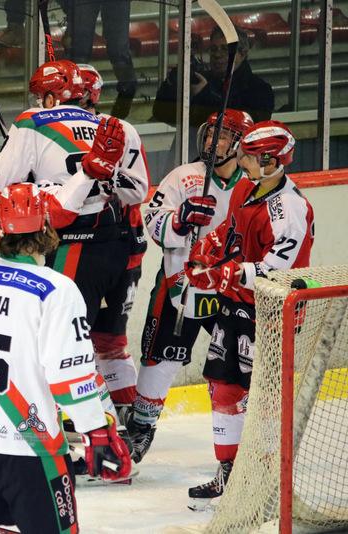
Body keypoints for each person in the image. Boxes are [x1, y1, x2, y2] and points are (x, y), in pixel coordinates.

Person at [0, 183, 131, 534]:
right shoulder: (57, 290)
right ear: (47, 227)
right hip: (30, 446)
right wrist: (95, 431)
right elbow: (68, 378)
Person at [0, 60, 149, 436]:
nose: (37, 102)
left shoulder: (33, 122)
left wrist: (19, 158)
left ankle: (104, 432)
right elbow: (138, 191)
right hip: (119, 248)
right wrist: (107, 172)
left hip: (72, 247)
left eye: (41, 95)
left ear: (52, 96)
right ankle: (132, 422)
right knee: (110, 341)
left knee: (64, 344)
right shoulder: (119, 127)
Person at [184, 120, 314, 510]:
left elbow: (277, 271)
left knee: (264, 398)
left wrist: (226, 272)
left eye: (252, 157)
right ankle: (229, 472)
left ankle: (265, 478)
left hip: (272, 314)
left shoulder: (290, 210)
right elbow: (230, 229)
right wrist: (208, 249)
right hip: (235, 304)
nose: (242, 161)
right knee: (223, 386)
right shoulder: (246, 187)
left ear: (273, 161)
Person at [128, 109, 254, 464]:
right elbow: (153, 220)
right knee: (162, 357)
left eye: (223, 136)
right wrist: (180, 221)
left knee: (238, 364)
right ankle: (141, 426)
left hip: (228, 291)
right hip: (179, 285)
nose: (213, 141)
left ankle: (242, 435)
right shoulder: (184, 177)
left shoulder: (249, 187)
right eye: (211, 133)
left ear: (240, 144)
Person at [153, 26, 274, 171]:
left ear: (242, 53)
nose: (217, 55)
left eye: (225, 49)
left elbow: (246, 130)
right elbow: (161, 113)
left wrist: (206, 95)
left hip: (233, 172)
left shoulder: (259, 89)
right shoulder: (200, 80)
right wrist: (171, 84)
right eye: (214, 49)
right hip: (189, 165)